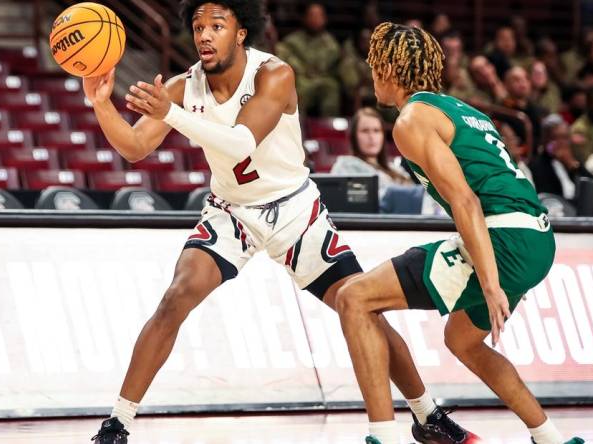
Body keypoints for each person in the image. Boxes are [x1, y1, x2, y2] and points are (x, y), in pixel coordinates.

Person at [83, 2, 445, 442]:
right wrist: (101, 105)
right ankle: (117, 422)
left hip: (293, 210)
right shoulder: (182, 87)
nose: (204, 35)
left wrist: (170, 115)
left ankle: (428, 416)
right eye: (198, 27)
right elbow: (136, 147)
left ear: (240, 32)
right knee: (176, 297)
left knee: (363, 309)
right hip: (231, 211)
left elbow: (239, 143)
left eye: (217, 25)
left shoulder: (275, 74)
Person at [334, 22, 585, 444]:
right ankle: (551, 438)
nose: (371, 73)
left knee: (354, 298)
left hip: (503, 237)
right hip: (537, 238)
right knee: (462, 340)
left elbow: (466, 202)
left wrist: (489, 283)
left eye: (375, 65)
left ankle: (384, 435)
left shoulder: (411, 119)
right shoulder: (461, 109)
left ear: (391, 69)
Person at [276, 2, 341, 116]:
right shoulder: (292, 41)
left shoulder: (331, 44)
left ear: (324, 19)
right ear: (304, 18)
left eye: (319, 16)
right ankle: (299, 125)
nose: (315, 19)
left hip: (323, 79)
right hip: (301, 80)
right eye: (312, 15)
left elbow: (335, 66)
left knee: (332, 87)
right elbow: (283, 56)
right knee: (297, 89)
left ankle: (328, 127)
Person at [331, 107, 411, 198]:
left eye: (376, 131)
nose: (372, 137)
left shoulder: (396, 170)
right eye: (365, 131)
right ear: (354, 136)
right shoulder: (344, 167)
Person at [529, 114, 593, 200]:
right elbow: (548, 196)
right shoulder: (537, 165)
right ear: (545, 140)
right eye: (555, 138)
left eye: (565, 138)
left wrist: (573, 165)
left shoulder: (573, 161)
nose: (561, 143)